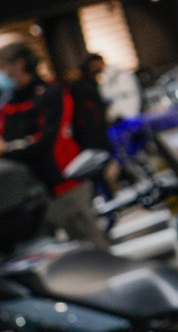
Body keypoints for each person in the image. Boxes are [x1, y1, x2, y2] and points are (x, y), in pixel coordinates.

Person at [0, 42, 108, 246]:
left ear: (19, 65)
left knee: (92, 248)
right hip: (29, 193)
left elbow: (45, 141)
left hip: (65, 186)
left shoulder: (51, 93)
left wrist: (8, 149)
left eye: (3, 66)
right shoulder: (8, 103)